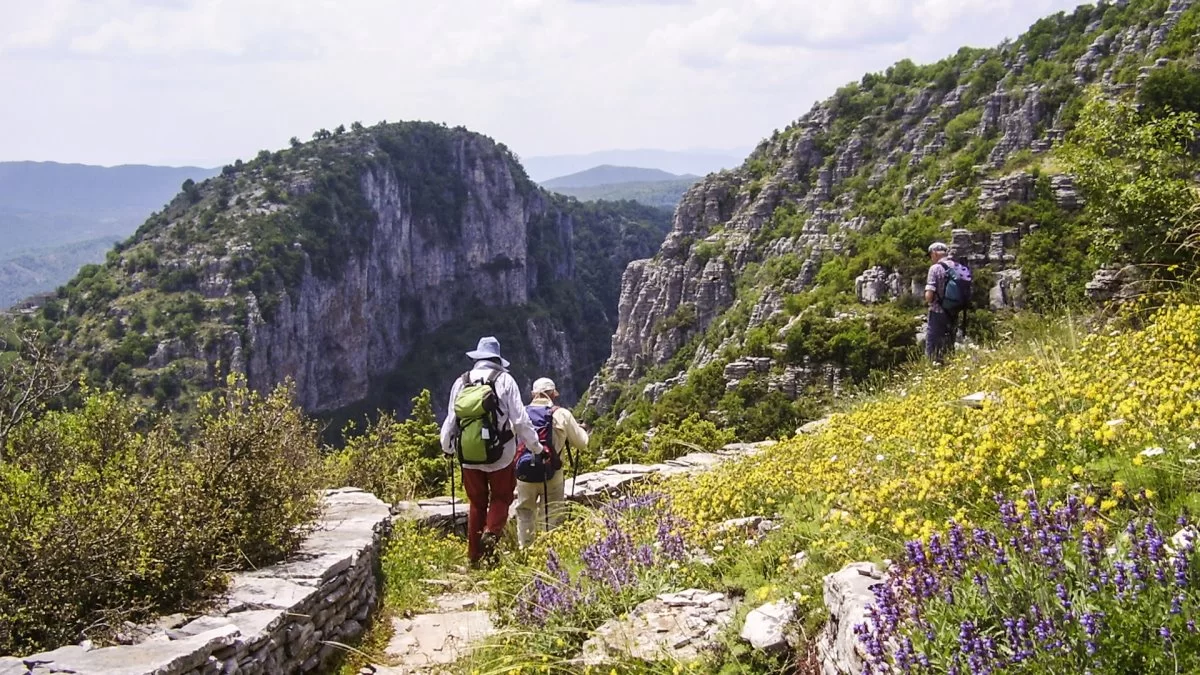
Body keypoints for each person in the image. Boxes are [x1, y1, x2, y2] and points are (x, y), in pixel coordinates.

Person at [440, 336, 540, 567]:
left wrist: (447, 447)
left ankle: (474, 557)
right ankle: (492, 533)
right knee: (502, 497)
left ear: (478, 358)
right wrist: (536, 447)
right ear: (497, 359)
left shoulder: (461, 381)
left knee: (476, 503)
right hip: (501, 454)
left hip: (468, 455)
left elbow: (451, 418)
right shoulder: (505, 380)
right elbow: (520, 420)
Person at [514, 378, 590, 548]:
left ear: (533, 394)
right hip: (552, 474)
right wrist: (583, 430)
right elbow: (582, 443)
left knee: (525, 511)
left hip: (524, 473)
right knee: (552, 513)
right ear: (552, 395)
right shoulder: (561, 414)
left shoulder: (521, 413)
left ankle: (526, 549)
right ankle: (549, 550)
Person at [923, 241, 971, 364]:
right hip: (954, 311)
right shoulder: (957, 266)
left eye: (930, 256)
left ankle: (932, 370)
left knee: (933, 346)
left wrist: (927, 299)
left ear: (934, 253)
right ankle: (949, 366)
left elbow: (929, 296)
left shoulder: (935, 268)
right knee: (949, 343)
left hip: (937, 312)